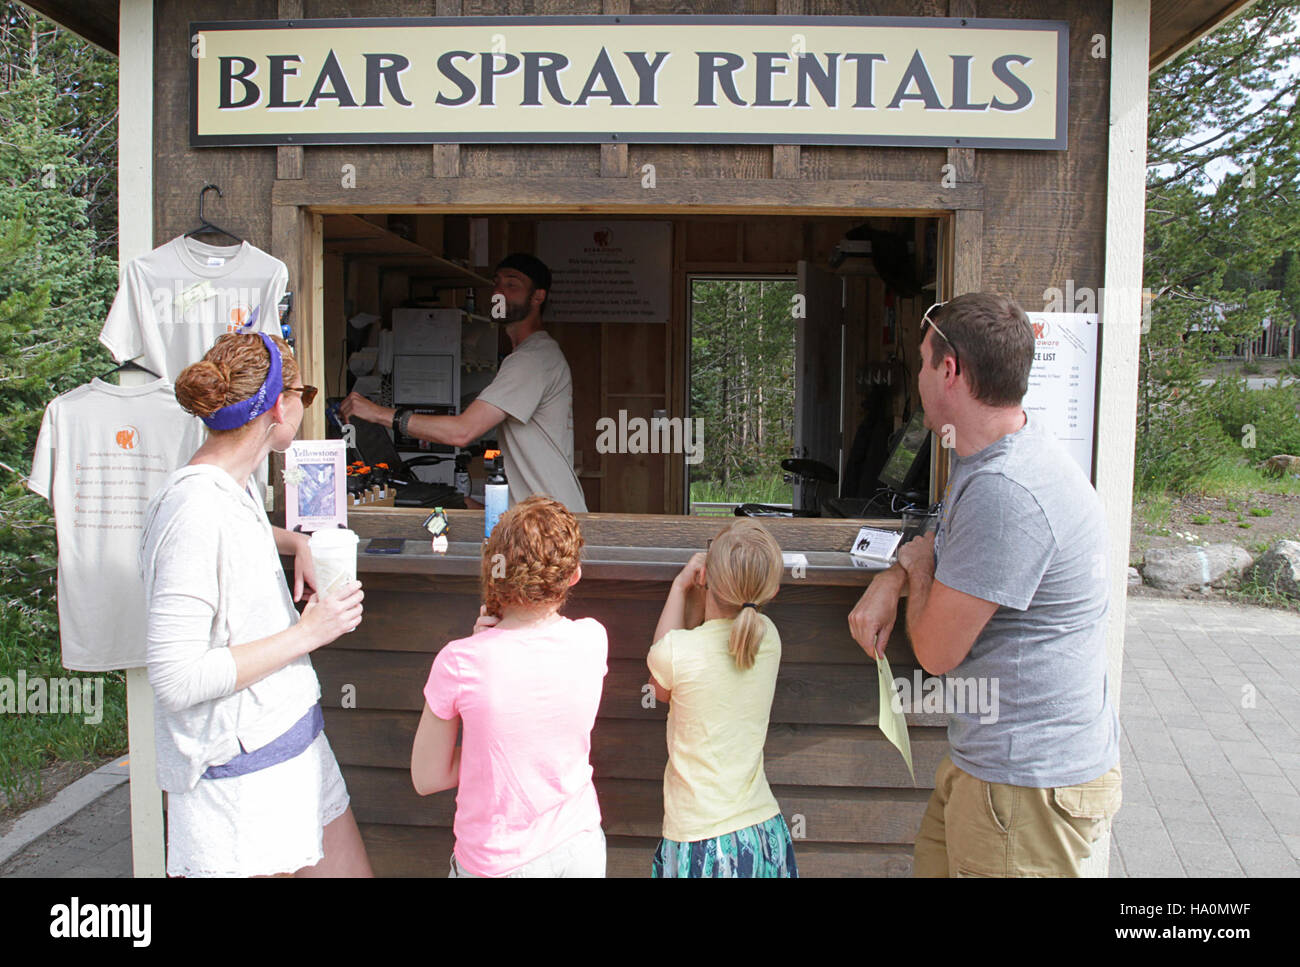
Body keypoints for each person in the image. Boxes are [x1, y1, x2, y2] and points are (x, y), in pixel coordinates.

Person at [847, 293, 1121, 877]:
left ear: (950, 371)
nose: (917, 376)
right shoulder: (988, 460)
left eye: (922, 362)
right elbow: (941, 545)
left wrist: (914, 572)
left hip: (1026, 788)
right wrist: (894, 576)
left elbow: (937, 652)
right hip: (993, 770)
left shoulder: (1006, 491)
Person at [140, 332, 371, 877]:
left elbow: (237, 530)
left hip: (293, 741)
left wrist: (297, 542)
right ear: (278, 405)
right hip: (238, 782)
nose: (303, 407)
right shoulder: (192, 515)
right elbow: (176, 678)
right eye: (303, 396)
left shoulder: (231, 487)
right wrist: (309, 632)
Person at [411, 495, 608, 877]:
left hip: (497, 861)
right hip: (579, 845)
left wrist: (478, 646)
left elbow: (427, 777)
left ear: (493, 571)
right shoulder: (593, 639)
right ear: (573, 576)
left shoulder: (460, 662)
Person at [339, 253, 587, 512]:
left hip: (547, 527)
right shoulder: (532, 355)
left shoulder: (532, 359)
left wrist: (378, 413)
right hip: (539, 517)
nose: (499, 293)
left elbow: (462, 432)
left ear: (538, 297)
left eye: (512, 285)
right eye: (497, 283)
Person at [646, 519, 798, 878]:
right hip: (763, 833)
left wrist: (679, 587)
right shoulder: (769, 640)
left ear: (705, 578)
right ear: (771, 591)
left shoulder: (676, 654)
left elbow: (659, 685)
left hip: (701, 841)